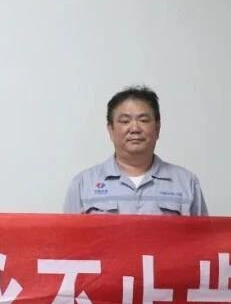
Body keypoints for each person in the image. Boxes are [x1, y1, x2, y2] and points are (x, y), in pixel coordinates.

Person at [63, 85, 207, 215]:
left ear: (157, 128)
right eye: (125, 121)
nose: (135, 129)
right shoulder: (82, 185)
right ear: (111, 130)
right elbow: (69, 236)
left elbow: (203, 236)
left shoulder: (187, 183)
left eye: (143, 120)